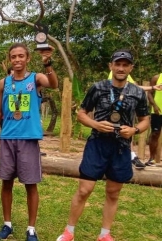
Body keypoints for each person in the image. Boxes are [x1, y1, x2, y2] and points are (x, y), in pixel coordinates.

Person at [56, 49, 149, 241]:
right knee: (84, 190)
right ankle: (69, 232)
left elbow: (145, 120)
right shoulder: (98, 88)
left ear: (131, 67)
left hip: (121, 147)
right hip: (97, 144)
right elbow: (81, 113)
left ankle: (105, 235)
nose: (121, 68)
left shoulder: (137, 92)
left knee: (113, 193)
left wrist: (134, 131)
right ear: (111, 66)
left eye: (125, 65)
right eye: (118, 64)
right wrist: (96, 124)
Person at [0, 43, 58, 241]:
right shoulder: (4, 83)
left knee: (30, 184)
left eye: (21, 56)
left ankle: (31, 228)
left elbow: (54, 84)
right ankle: (7, 224)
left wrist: (47, 63)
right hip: (7, 138)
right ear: (10, 59)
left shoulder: (36, 79)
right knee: (6, 182)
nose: (17, 60)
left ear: (27, 59)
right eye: (13, 57)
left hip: (28, 139)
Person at [107, 71, 162, 168]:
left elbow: (134, 86)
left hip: (123, 107)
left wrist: (152, 87)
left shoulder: (126, 74)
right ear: (111, 65)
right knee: (114, 131)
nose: (122, 67)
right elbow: (130, 87)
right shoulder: (116, 73)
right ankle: (127, 156)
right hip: (114, 108)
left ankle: (130, 155)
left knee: (126, 130)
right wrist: (152, 88)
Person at [146, 73, 162, 166]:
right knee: (155, 134)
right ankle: (151, 158)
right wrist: (154, 105)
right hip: (157, 111)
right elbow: (149, 93)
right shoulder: (157, 78)